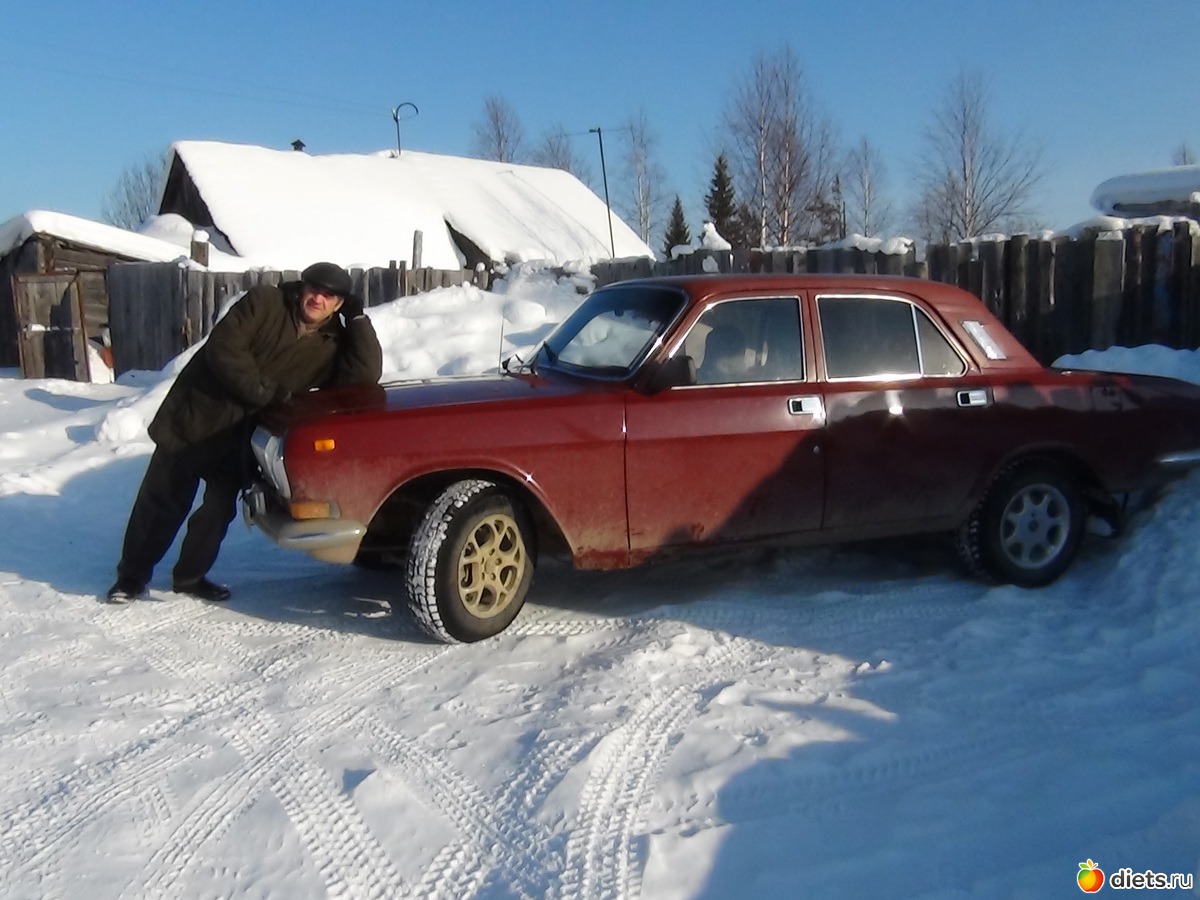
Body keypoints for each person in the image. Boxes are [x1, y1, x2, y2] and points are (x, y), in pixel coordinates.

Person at [106, 262, 383, 604]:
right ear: (303, 287)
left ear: (338, 304)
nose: (319, 299)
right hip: (196, 415)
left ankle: (190, 578)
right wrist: (266, 394)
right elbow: (224, 350)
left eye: (330, 296)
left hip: (240, 437)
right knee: (161, 502)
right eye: (315, 290)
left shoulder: (330, 344)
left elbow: (364, 375)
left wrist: (358, 321)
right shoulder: (265, 302)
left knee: (217, 511)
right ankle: (131, 578)